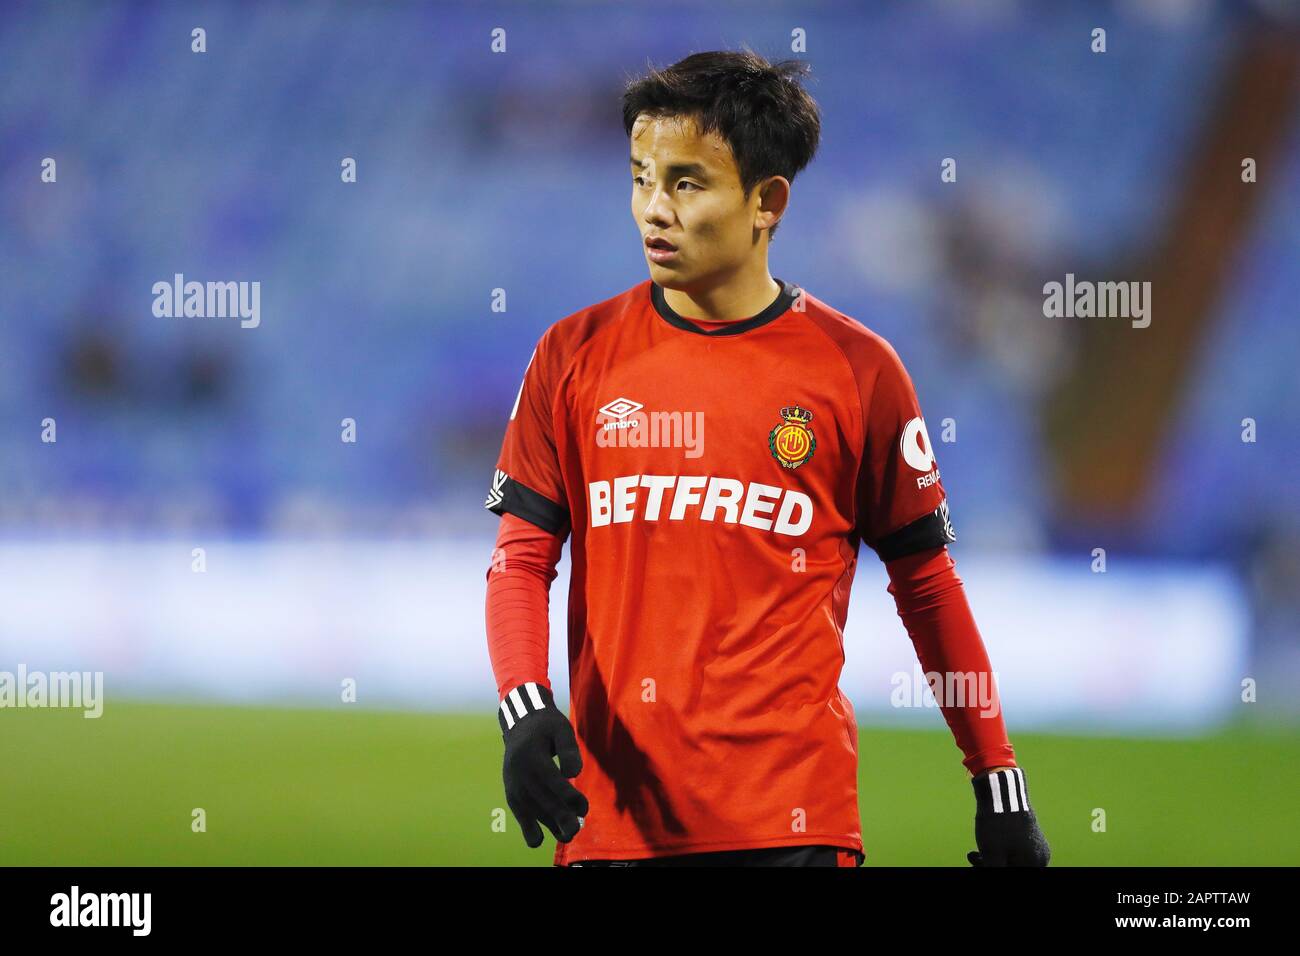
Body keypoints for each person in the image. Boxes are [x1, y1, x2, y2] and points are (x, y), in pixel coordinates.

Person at [483, 49, 1049, 868]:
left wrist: (999, 784)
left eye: (685, 183)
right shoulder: (571, 356)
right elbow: (521, 561)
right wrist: (525, 707)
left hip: (791, 828)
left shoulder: (857, 372)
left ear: (767, 202)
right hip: (610, 826)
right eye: (641, 176)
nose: (652, 209)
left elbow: (927, 586)